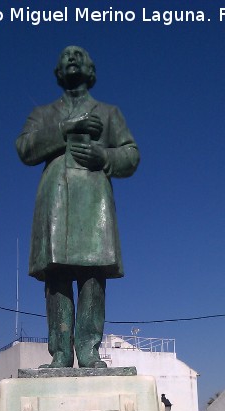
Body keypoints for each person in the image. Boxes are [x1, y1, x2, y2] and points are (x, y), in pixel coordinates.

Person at [16, 45, 139, 368]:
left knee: (92, 276)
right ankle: (59, 352)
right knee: (56, 276)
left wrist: (105, 157)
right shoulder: (43, 114)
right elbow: (25, 149)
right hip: (55, 199)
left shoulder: (109, 113)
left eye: (79, 55)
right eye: (65, 56)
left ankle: (88, 350)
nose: (71, 58)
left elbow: (131, 155)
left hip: (93, 198)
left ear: (91, 70)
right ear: (58, 72)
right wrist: (65, 129)